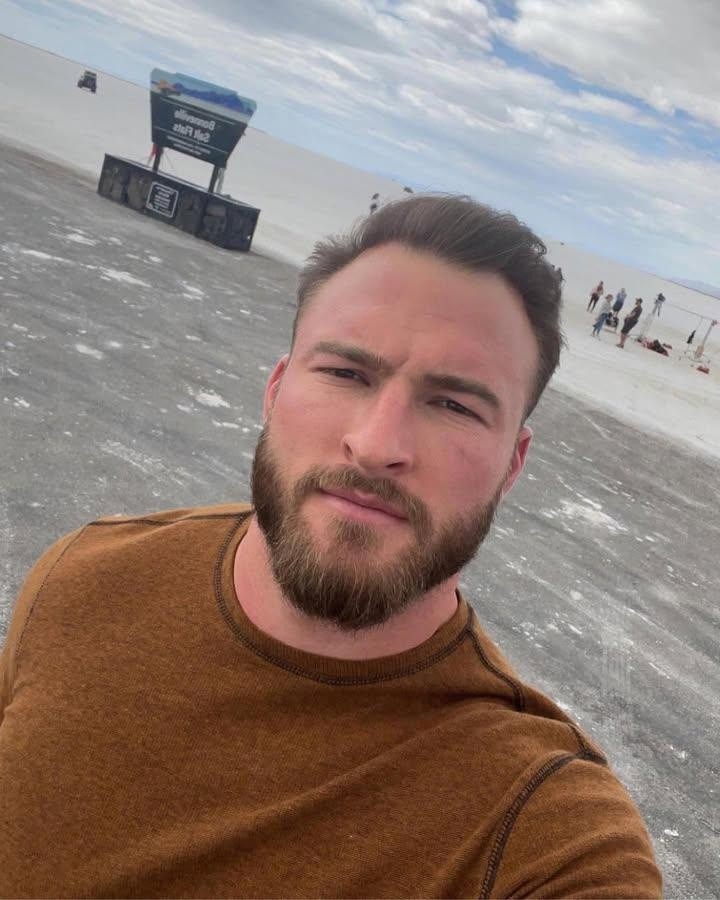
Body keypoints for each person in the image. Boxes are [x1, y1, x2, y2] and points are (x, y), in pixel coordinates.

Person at [0, 196, 661, 898]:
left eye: (454, 405)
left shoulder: (544, 831)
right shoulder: (86, 575)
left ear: (512, 465)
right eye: (346, 373)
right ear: (275, 390)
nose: (376, 445)